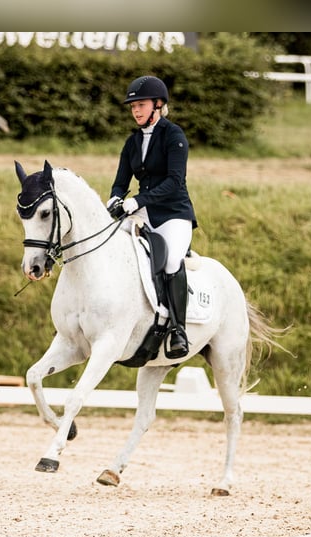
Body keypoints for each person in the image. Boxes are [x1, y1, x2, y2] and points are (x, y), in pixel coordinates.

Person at [106, 75, 197, 359]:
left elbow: (174, 181)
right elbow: (121, 181)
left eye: (141, 105)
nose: (135, 111)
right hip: (142, 210)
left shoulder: (174, 136)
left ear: (158, 105)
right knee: (109, 243)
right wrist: (115, 198)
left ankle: (178, 330)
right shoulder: (132, 142)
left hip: (173, 214)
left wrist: (136, 201)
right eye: (133, 106)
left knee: (170, 261)